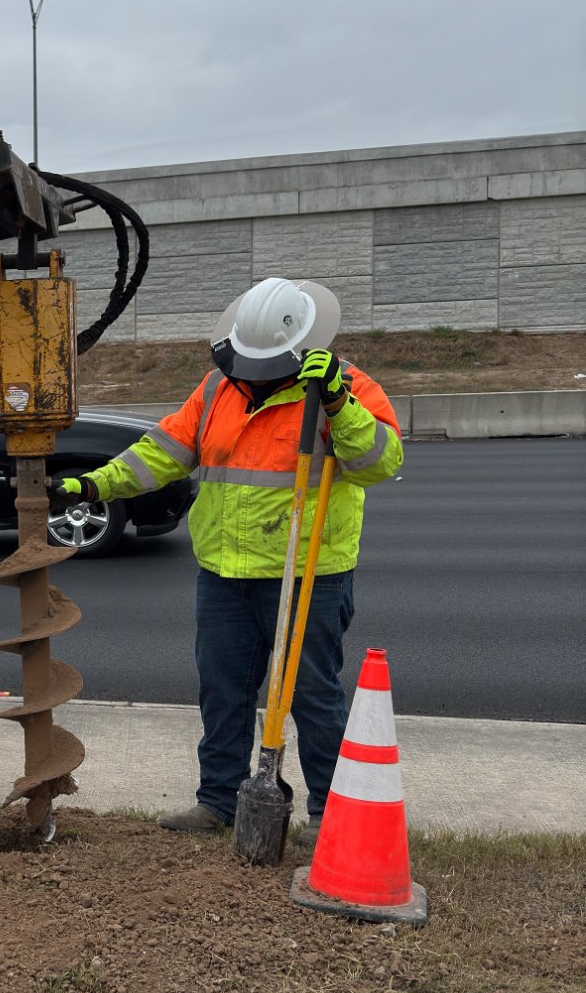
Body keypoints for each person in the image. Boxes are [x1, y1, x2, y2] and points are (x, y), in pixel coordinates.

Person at [54, 277, 402, 846]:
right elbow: (163, 452)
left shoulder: (348, 388)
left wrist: (339, 404)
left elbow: (379, 463)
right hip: (224, 573)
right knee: (223, 690)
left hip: (307, 573)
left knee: (312, 694)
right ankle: (218, 800)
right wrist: (94, 486)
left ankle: (327, 811)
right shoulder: (218, 388)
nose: (252, 373)